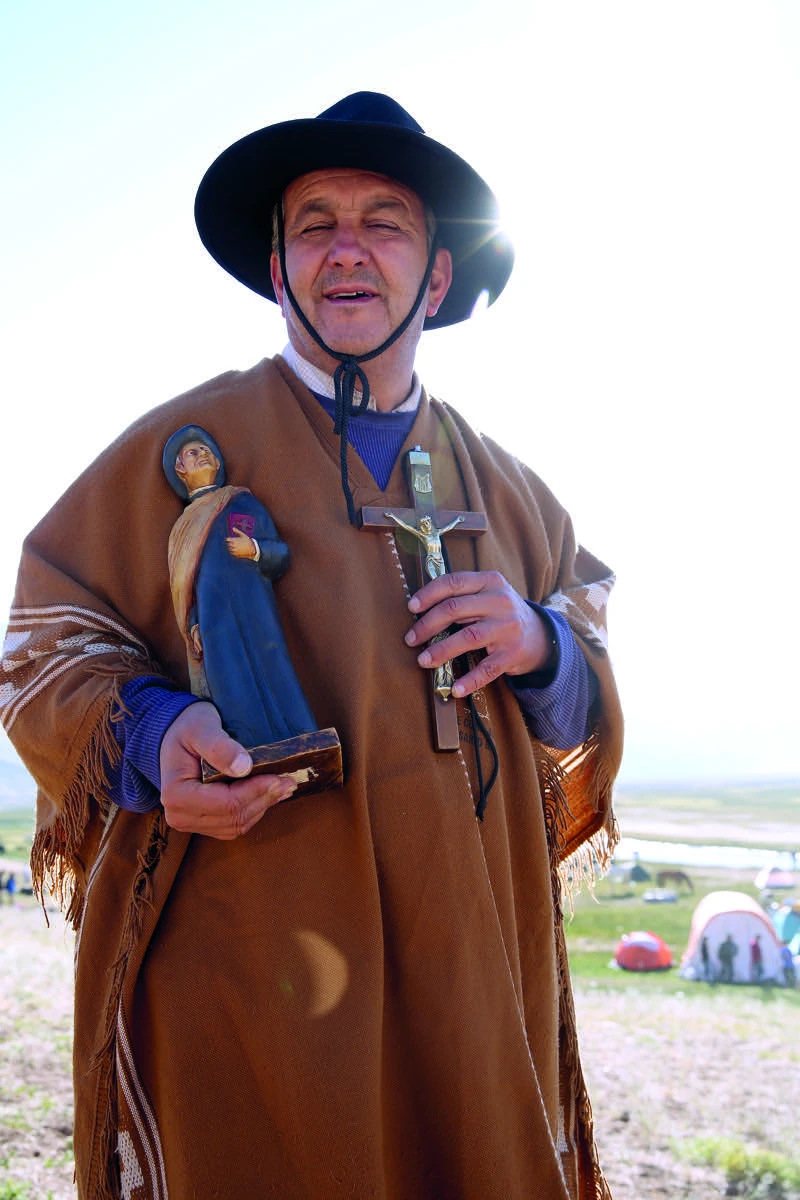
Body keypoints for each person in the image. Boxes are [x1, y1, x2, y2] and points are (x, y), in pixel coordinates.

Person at [1, 93, 623, 1199]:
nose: (346, 251)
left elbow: (583, 698)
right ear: (276, 268)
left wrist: (539, 644)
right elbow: (44, 641)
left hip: (475, 966)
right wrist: (153, 733)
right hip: (250, 968)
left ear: (434, 275)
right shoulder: (177, 449)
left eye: (383, 222)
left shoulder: (518, 496)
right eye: (313, 224)